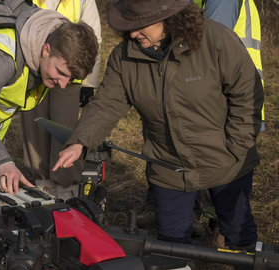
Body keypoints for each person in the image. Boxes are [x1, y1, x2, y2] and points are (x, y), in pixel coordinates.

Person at [53, 0, 263, 254]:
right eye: (130, 26)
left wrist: (236, 146)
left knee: (238, 232)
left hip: (227, 159)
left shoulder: (216, 40)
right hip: (167, 164)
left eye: (141, 25)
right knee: (171, 245)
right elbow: (107, 103)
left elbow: (247, 94)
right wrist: (80, 141)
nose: (132, 33)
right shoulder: (124, 57)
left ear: (169, 18)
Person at [0, 3, 98, 266]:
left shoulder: (46, 53)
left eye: (70, 79)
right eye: (61, 74)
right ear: (46, 49)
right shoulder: (1, 55)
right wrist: (3, 161)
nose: (63, 84)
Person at [136, 0, 264, 236]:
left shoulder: (221, 8)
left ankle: (217, 226)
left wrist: (236, 147)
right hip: (201, 104)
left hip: (222, 109)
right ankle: (184, 215)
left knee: (226, 195)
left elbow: (200, 45)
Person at [20, 0, 102, 200]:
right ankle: (40, 180)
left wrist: (88, 82)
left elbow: (94, 39)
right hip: (34, 66)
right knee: (34, 126)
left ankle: (67, 185)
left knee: (64, 129)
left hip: (69, 76)